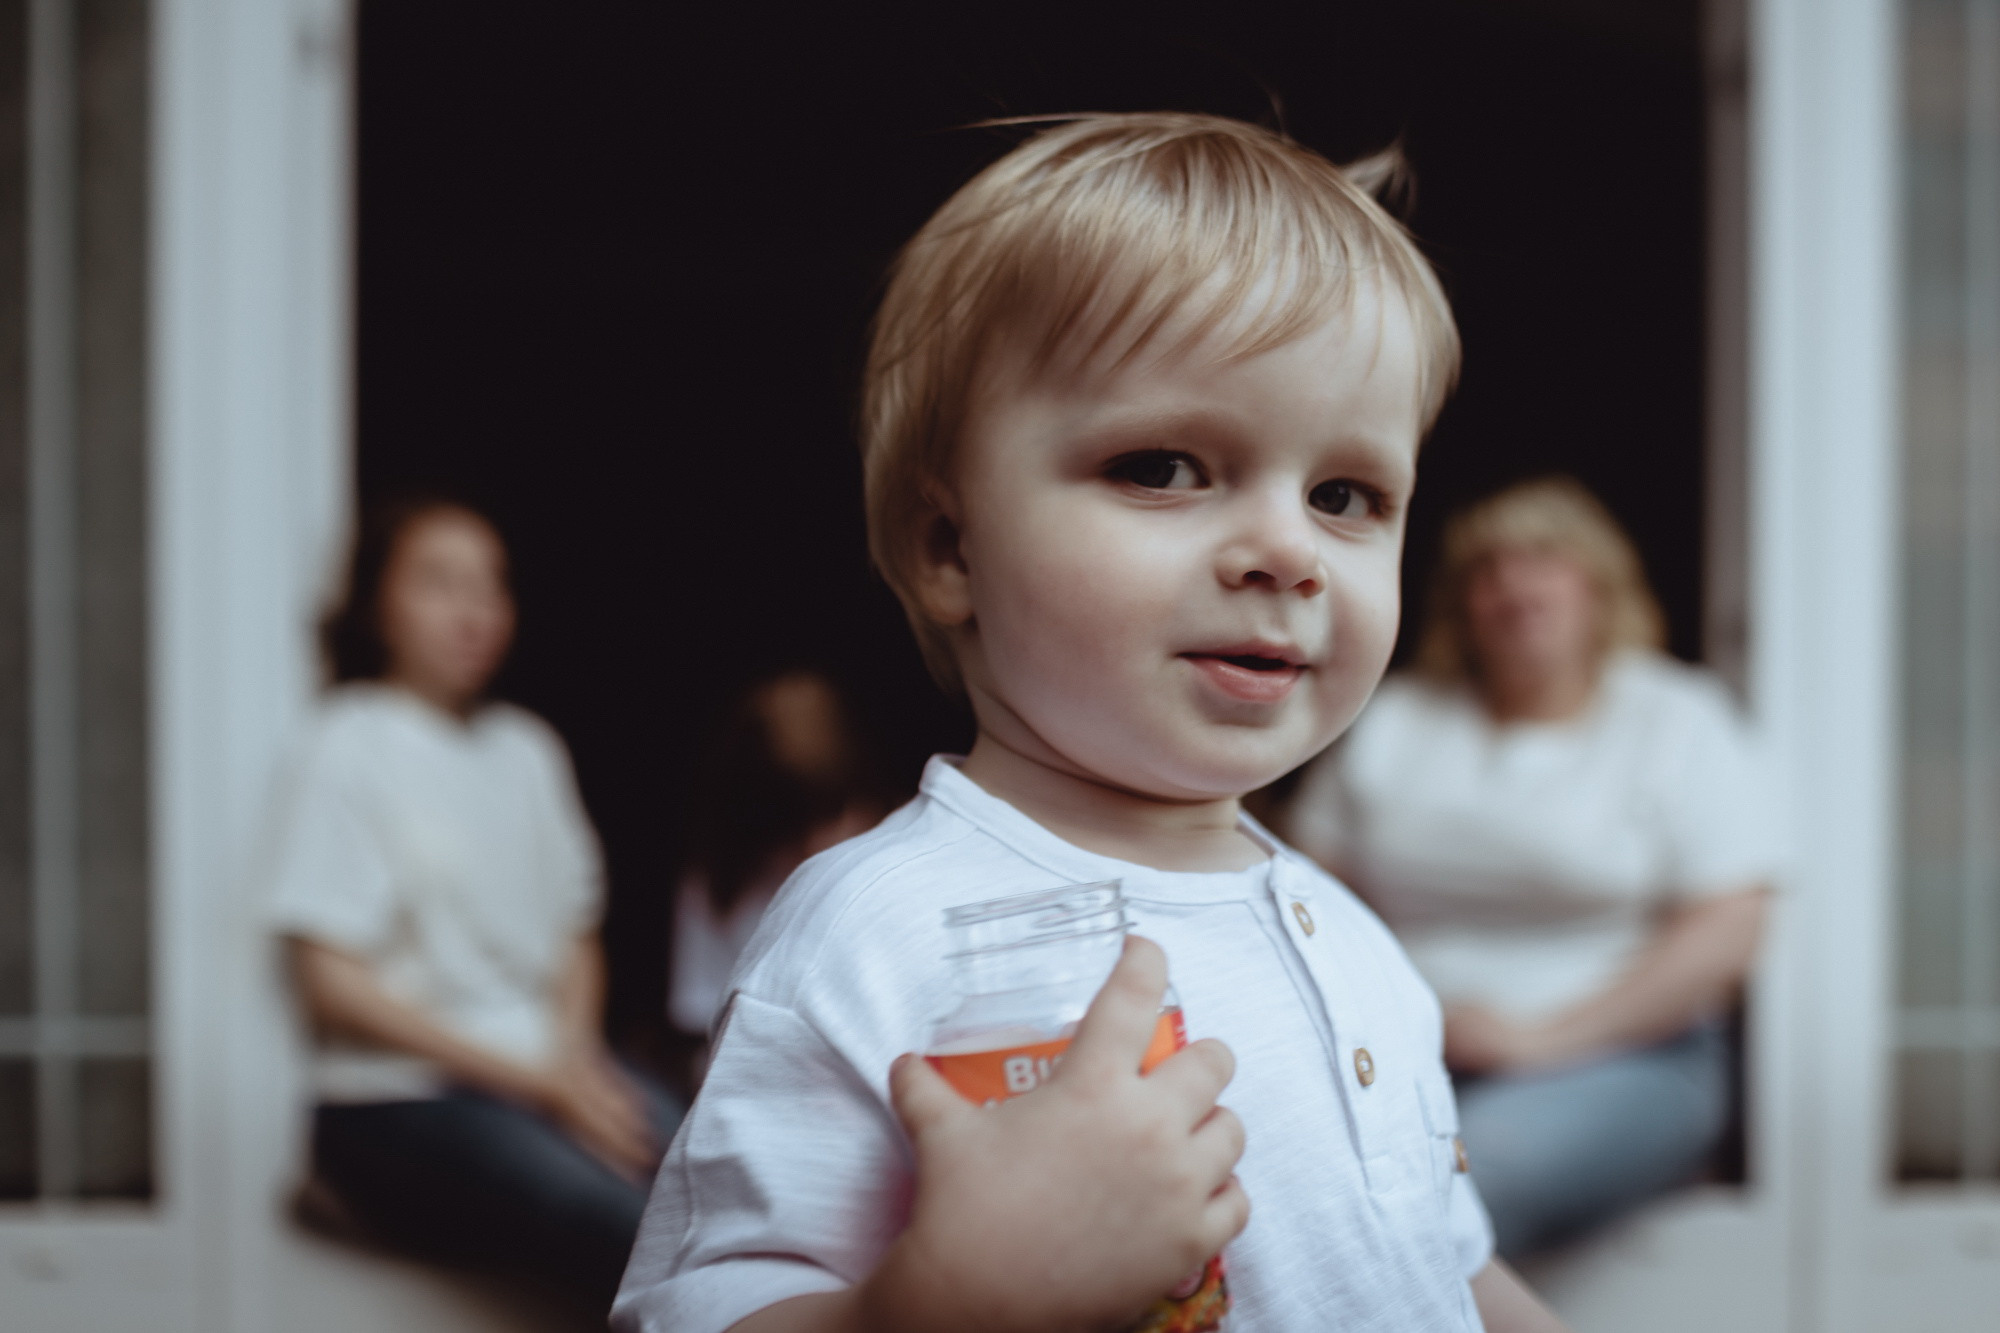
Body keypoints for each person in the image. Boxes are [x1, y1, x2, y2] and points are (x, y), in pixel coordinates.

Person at [615, 113, 1568, 1333]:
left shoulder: (1351, 939)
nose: (1286, 550)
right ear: (950, 545)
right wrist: (939, 1303)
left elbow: (1448, 1272)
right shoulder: (874, 928)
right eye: (1161, 467)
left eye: (1344, 495)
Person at [1286, 477, 1780, 1258]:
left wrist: (1537, 1041)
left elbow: (1728, 929)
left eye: (1542, 559)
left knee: (1460, 1182)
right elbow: (1307, 893)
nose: (1512, 585)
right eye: (1488, 569)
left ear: (1599, 584)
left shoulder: (1677, 717)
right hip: (1402, 1054)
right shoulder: (1393, 717)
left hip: (1631, 1059)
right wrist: (1393, 1023)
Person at [270, 497, 679, 1308]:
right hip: (398, 1096)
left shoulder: (527, 749)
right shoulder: (346, 740)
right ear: (378, 603)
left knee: (734, 1185)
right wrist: (541, 1085)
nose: (474, 611)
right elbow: (331, 985)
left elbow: (575, 929)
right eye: (439, 582)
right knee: (637, 1233)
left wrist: (569, 1057)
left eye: (491, 586)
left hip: (542, 1064)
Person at [669, 669, 883, 1060]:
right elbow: (699, 1018)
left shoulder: (893, 870)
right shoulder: (722, 885)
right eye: (791, 828)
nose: (814, 844)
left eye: (830, 815)